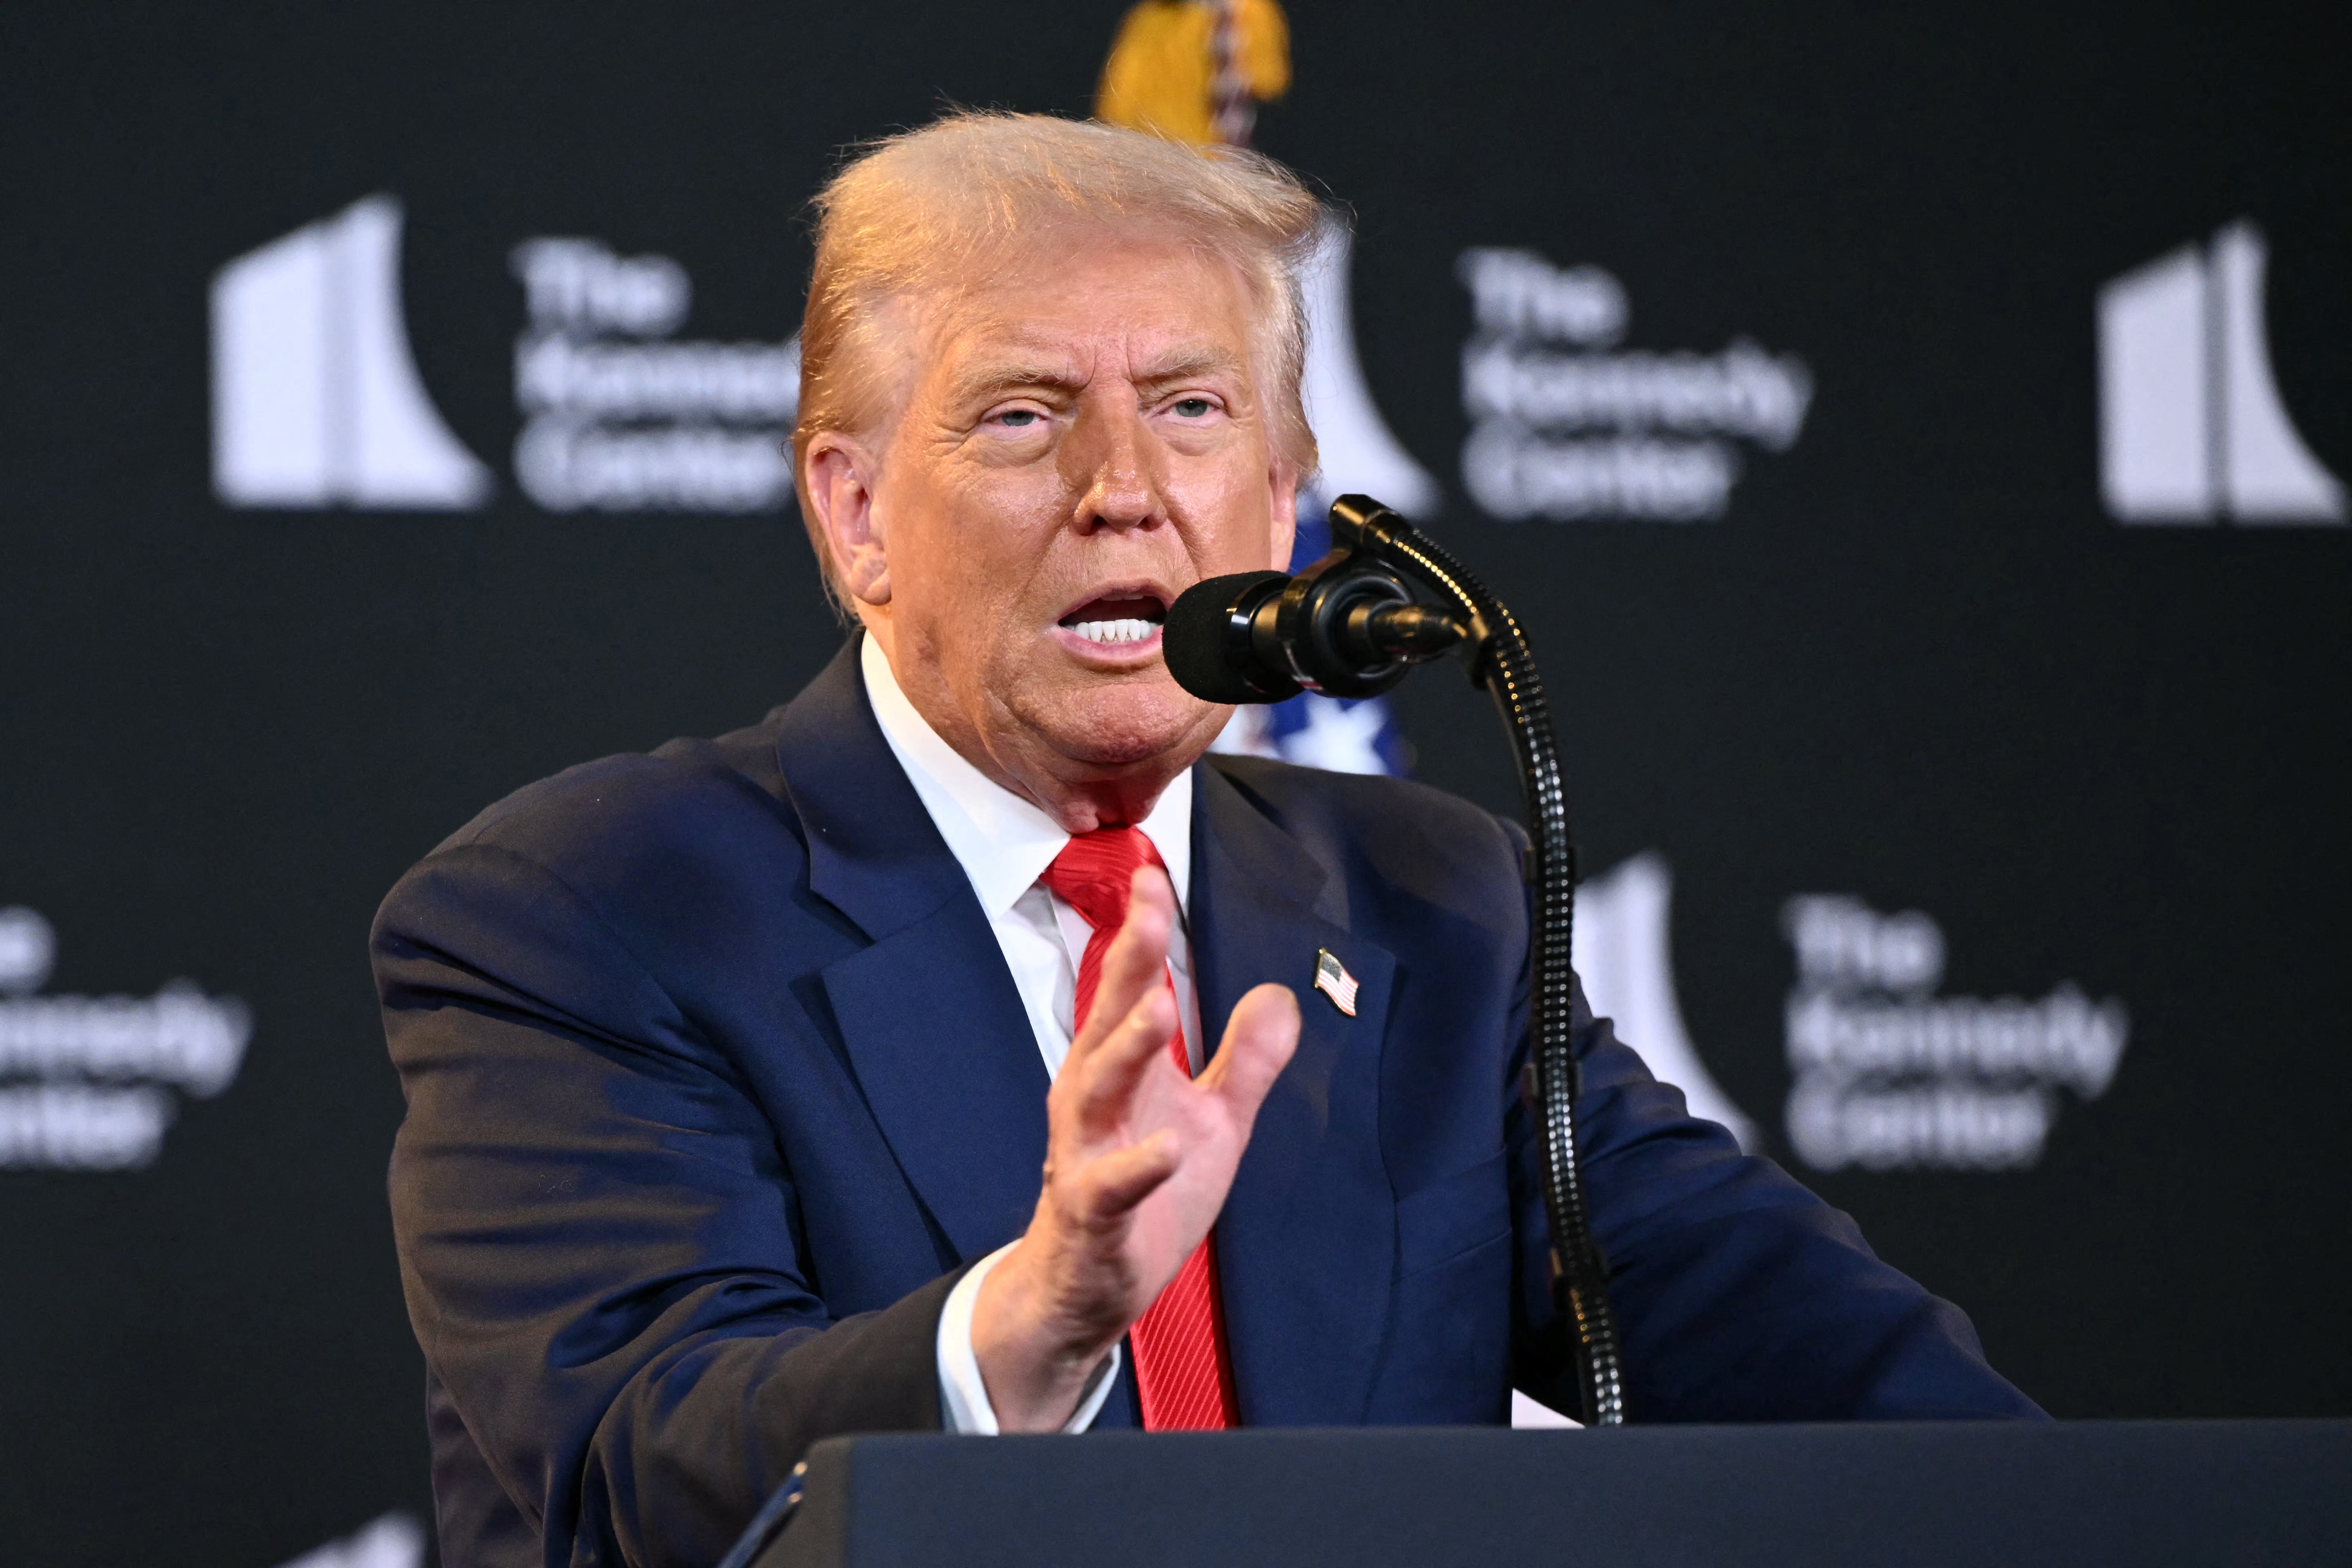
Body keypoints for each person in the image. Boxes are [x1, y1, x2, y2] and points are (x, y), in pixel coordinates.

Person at [372, 110, 2039, 1568]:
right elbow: (635, 1475)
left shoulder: (1425, 906)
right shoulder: (592, 912)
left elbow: (1790, 1346)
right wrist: (1027, 1330)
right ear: (858, 512)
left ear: (1283, 499)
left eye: (1189, 410)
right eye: (1023, 416)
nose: (1124, 488)